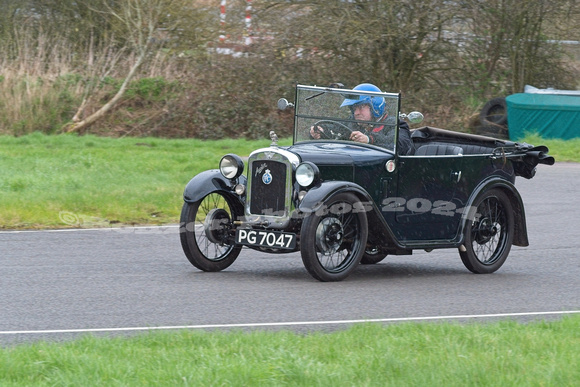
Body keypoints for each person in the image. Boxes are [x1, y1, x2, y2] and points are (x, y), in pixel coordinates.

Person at [310, 83, 414, 155]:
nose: (356, 113)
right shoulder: (353, 123)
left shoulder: (396, 125)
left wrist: (369, 140)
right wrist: (321, 130)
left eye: (361, 107)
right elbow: (335, 127)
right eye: (354, 108)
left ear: (375, 106)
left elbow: (400, 145)